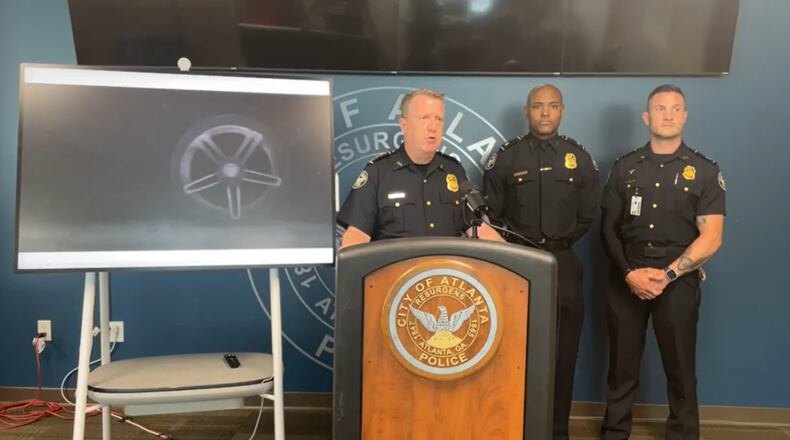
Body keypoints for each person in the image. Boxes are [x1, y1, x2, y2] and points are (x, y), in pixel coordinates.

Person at [599, 84, 725, 440]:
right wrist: (629, 274)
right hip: (627, 276)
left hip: (678, 280)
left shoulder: (704, 170)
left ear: (685, 116)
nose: (667, 115)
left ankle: (683, 434)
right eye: (660, 108)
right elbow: (607, 229)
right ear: (646, 117)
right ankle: (614, 433)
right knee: (621, 367)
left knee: (681, 368)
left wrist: (668, 274)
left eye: (675, 109)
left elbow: (712, 236)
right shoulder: (624, 168)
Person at [483, 83, 599, 440]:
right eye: (537, 106)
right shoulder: (506, 158)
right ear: (526, 111)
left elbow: (587, 215)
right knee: (511, 352)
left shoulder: (578, 158)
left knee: (564, 354)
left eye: (552, 105)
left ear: (562, 110)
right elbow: (491, 215)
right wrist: (520, 249)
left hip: (563, 263)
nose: (545, 112)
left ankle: (557, 431)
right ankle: (512, 428)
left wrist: (559, 244)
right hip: (517, 263)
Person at [337, 88, 501, 246]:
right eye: (424, 118)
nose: (433, 127)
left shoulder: (454, 171)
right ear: (404, 125)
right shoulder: (378, 173)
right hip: (397, 265)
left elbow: (480, 229)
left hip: (446, 265)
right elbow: (356, 235)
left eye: (439, 119)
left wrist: (510, 258)